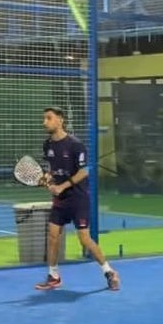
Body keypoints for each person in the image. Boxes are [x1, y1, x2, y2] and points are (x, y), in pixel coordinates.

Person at [35, 107, 120, 291]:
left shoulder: (75, 145)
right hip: (60, 200)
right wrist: (47, 179)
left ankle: (109, 272)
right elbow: (51, 169)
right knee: (53, 236)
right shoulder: (47, 145)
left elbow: (84, 171)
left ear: (60, 120)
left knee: (84, 239)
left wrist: (62, 186)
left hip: (78, 199)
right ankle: (54, 276)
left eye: (49, 118)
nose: (44, 122)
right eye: (44, 119)